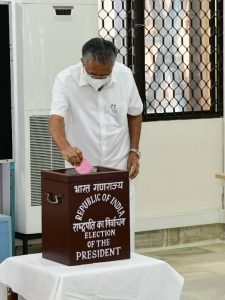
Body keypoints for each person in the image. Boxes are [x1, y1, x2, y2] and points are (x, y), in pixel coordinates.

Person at [49, 37, 143, 250]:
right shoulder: (65, 79)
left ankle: (122, 262)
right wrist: (66, 148)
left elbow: (135, 114)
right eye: (93, 74)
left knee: (121, 219)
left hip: (119, 161)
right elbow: (55, 121)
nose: (99, 78)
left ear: (113, 65)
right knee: (85, 219)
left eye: (105, 74)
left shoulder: (124, 75)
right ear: (82, 63)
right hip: (83, 162)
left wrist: (134, 151)